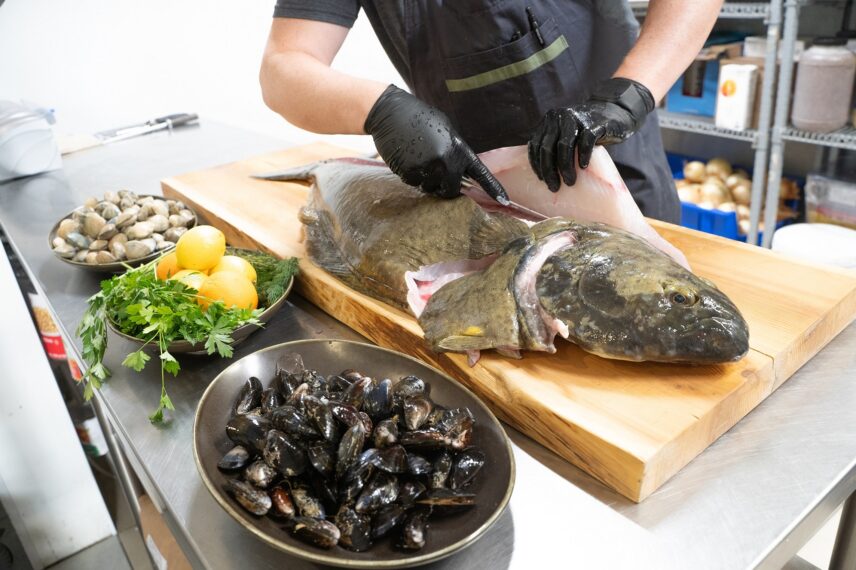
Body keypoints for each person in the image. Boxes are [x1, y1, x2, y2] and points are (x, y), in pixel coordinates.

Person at [260, 1, 723, 223]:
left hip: (617, 178)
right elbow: (283, 68)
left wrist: (630, 94)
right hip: (480, 203)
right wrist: (381, 109)